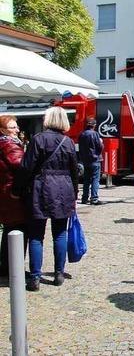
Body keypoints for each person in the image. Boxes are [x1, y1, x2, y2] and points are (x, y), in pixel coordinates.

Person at [17, 106, 78, 291]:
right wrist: (74, 193)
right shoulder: (68, 142)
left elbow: (27, 167)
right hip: (63, 188)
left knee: (36, 235)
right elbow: (74, 171)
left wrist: (18, 188)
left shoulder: (38, 139)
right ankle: (58, 274)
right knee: (60, 233)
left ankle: (35, 278)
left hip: (41, 187)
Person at [0, 115, 28, 278]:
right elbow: (21, 166)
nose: (17, 130)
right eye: (13, 127)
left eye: (16, 127)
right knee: (18, 230)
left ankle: (6, 266)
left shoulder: (5, 143)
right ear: (3, 130)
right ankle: (14, 269)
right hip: (13, 195)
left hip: (6, 193)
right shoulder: (9, 145)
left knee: (9, 231)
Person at [79, 117, 104, 205]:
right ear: (94, 125)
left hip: (85, 160)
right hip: (95, 160)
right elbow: (99, 146)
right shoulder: (95, 134)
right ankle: (94, 199)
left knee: (86, 180)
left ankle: (84, 198)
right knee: (95, 179)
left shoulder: (82, 134)